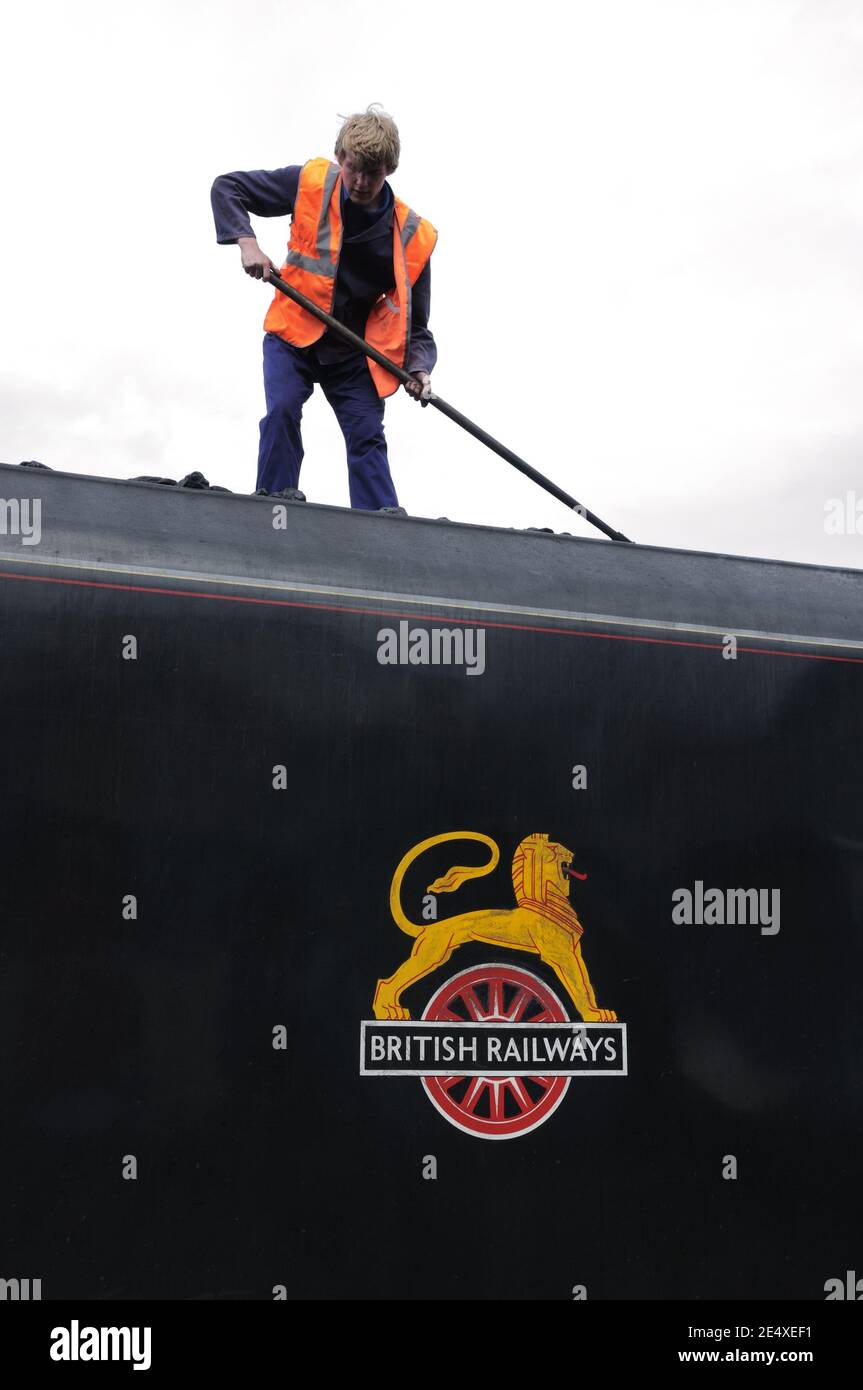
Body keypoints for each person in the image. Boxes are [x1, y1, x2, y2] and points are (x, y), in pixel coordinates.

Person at [210, 104, 438, 511]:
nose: (361, 181)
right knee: (281, 411)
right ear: (341, 158)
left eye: (373, 172)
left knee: (367, 436)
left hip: (353, 353)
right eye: (354, 169)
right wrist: (247, 243)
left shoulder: (412, 237)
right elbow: (227, 188)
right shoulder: (311, 183)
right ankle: (274, 508)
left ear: (389, 170)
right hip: (293, 332)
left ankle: (379, 527)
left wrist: (419, 368)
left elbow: (416, 325)